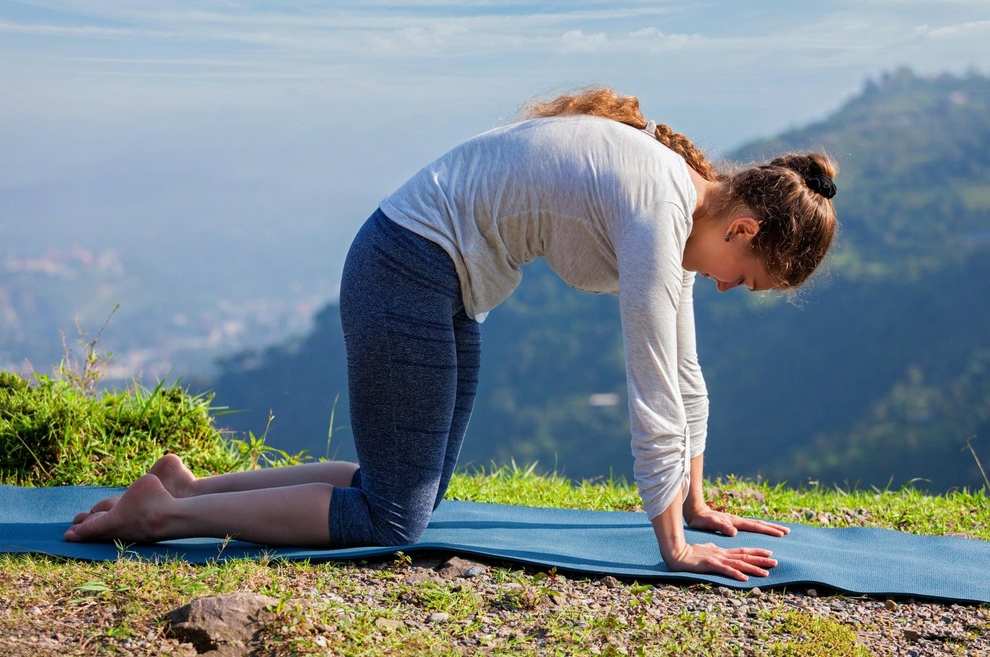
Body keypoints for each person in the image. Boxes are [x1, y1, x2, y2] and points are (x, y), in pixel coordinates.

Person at [65, 88, 838, 582]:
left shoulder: (675, 204)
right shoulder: (660, 209)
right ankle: (160, 519)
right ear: (742, 227)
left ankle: (187, 487)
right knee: (392, 518)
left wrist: (697, 503)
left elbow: (684, 366)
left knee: (407, 493)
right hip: (406, 269)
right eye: (748, 276)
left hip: (434, 280)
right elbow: (653, 385)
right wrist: (673, 544)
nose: (729, 288)